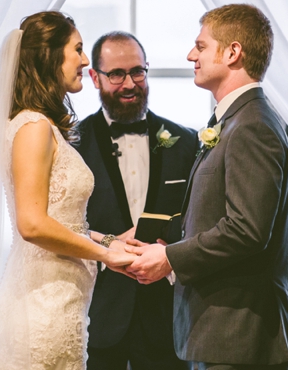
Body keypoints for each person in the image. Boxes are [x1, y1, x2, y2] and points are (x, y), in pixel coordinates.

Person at [0, 11, 135, 370]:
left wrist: (111, 240)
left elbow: (57, 218)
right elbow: (32, 224)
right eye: (78, 49)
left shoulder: (36, 124)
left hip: (59, 300)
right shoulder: (33, 127)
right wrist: (105, 255)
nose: (85, 60)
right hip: (42, 306)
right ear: (50, 57)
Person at [126, 4, 288, 370]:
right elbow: (213, 215)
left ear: (233, 52)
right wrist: (159, 238)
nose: (191, 55)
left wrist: (171, 258)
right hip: (220, 333)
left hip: (240, 333)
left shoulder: (253, 126)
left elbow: (247, 230)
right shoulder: (236, 121)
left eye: (201, 46)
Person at [74, 32, 196, 370]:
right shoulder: (72, 147)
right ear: (95, 77)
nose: (130, 83)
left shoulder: (186, 142)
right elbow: (61, 225)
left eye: (137, 72)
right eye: (116, 74)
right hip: (98, 312)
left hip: (168, 314)